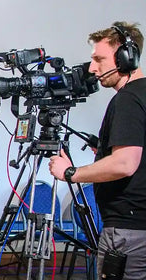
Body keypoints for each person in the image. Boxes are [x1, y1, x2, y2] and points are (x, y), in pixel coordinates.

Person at [49, 22, 146, 279]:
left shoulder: (127, 99)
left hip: (128, 233)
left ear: (126, 57)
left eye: (99, 59)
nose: (92, 68)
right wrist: (103, 151)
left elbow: (125, 164)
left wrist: (70, 172)